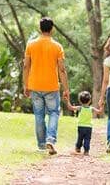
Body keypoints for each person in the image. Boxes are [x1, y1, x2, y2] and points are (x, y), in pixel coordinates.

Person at [23, 17, 70, 155]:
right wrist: (66, 88)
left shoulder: (31, 45)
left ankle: (42, 145)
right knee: (54, 113)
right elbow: (62, 70)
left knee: (39, 115)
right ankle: (50, 138)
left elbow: (26, 66)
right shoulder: (57, 47)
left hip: (35, 85)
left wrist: (26, 85)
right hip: (51, 86)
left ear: (40, 28)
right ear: (52, 29)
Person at [65, 91, 102, 156]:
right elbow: (99, 112)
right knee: (87, 139)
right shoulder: (91, 108)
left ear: (80, 101)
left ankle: (78, 148)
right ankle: (86, 151)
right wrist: (101, 105)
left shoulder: (80, 108)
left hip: (81, 126)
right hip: (89, 127)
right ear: (90, 100)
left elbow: (70, 107)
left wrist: (67, 100)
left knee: (80, 138)